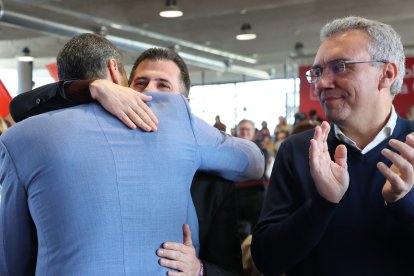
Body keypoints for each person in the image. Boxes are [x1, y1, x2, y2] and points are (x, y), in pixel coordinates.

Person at [0, 34, 264, 275]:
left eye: (163, 86)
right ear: (116, 71)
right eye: (140, 82)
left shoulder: (20, 137)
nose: (150, 94)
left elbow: (13, 256)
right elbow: (252, 162)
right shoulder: (177, 121)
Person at [252, 16, 414, 276]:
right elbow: (267, 260)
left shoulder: (411, 149)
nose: (322, 83)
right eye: (317, 72)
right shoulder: (298, 151)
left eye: (340, 67)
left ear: (387, 74)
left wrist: (405, 203)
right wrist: (323, 204)